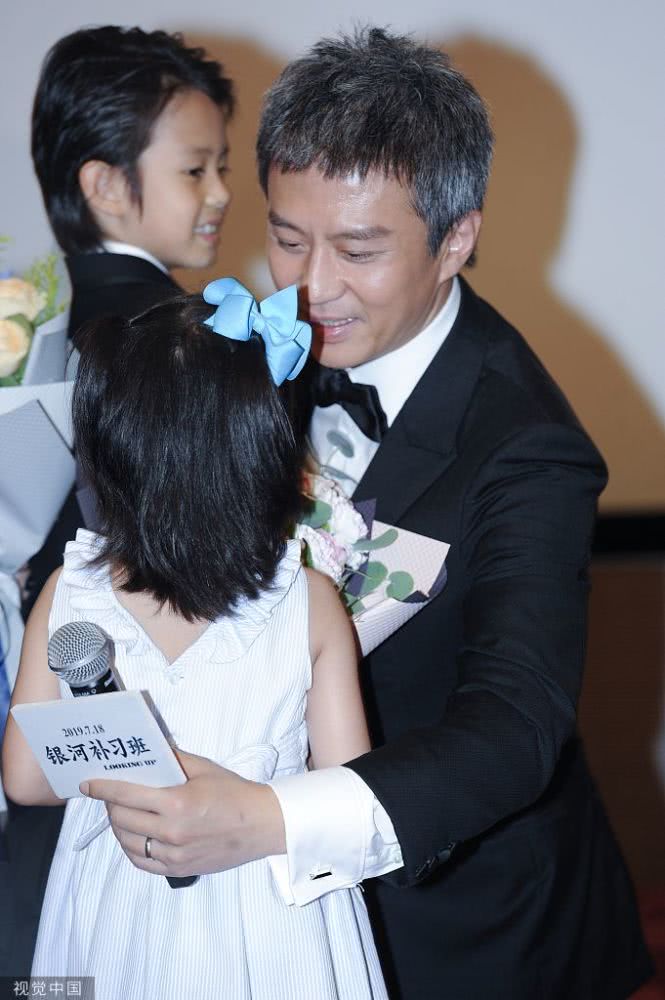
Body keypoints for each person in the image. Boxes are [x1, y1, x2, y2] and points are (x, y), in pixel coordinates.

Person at [82, 28, 653, 999]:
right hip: (245, 915)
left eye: (357, 249)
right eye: (287, 238)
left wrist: (272, 819)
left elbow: (513, 726)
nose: (311, 288)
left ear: (455, 239)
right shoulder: (250, 348)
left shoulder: (526, 443)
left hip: (463, 929)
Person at [2, 282, 388, 1000]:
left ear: (109, 457)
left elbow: (25, 779)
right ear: (265, 452)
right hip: (272, 904)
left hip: (116, 894)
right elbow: (352, 793)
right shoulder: (309, 604)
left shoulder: (69, 590)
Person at [2, 26, 234, 978]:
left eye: (222, 167)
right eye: (196, 169)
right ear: (103, 184)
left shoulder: (42, 324)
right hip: (171, 753)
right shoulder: (179, 343)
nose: (222, 193)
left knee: (52, 961)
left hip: (52, 727)